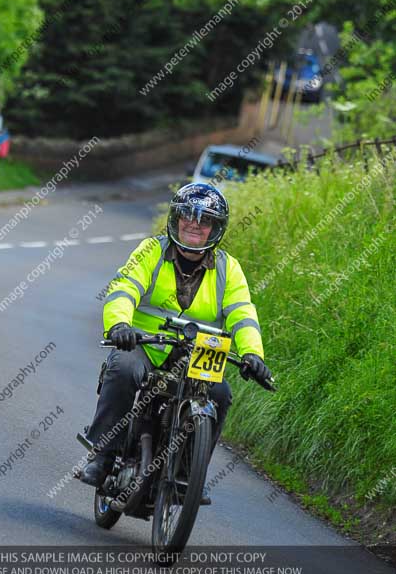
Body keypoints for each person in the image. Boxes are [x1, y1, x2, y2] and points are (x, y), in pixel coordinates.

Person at [81, 183, 272, 501]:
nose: (194, 224)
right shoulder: (150, 251)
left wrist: (253, 354)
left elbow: (243, 315)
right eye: (187, 216)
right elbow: (124, 289)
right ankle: (102, 455)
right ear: (175, 219)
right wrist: (119, 325)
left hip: (198, 354)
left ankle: (187, 476)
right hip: (145, 344)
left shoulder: (229, 269)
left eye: (205, 219)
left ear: (216, 228)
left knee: (220, 394)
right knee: (124, 369)